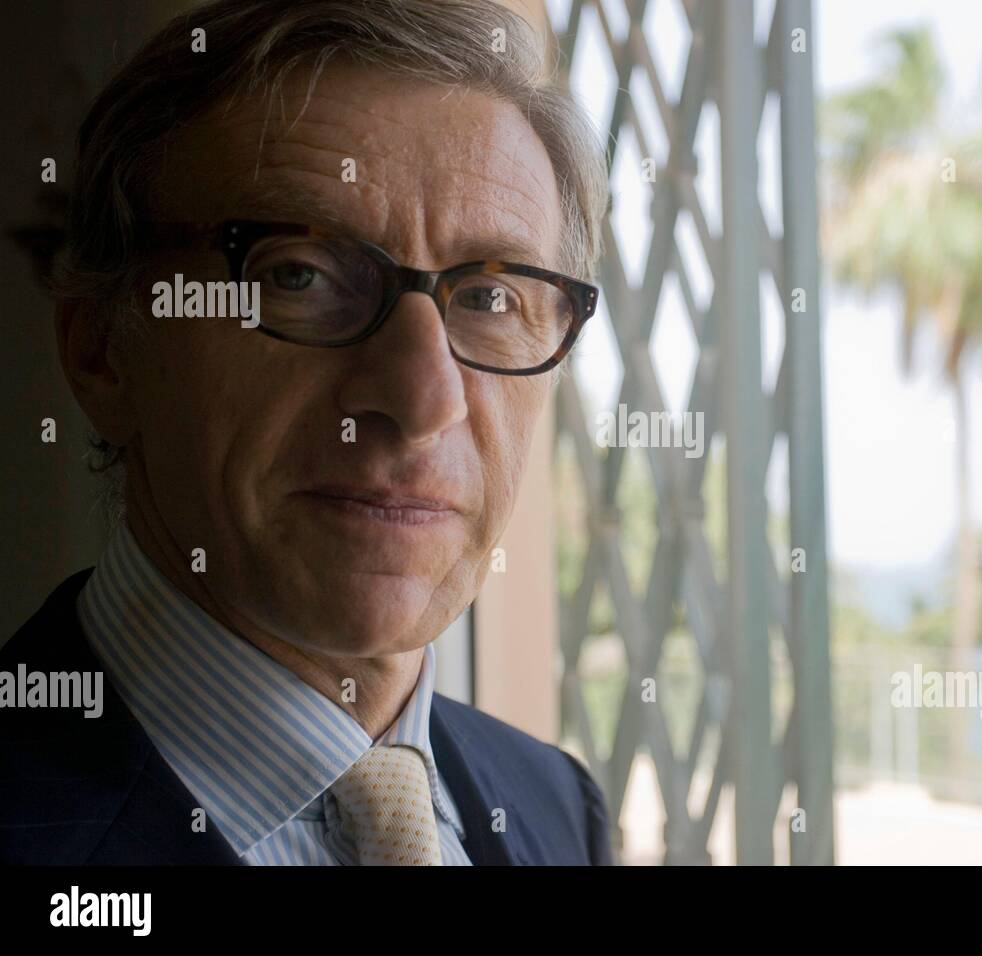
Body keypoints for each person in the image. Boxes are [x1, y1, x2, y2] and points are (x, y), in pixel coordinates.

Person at [0, 0, 612, 866]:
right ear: (101, 346)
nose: (423, 397)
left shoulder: (554, 806)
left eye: (488, 298)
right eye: (301, 274)